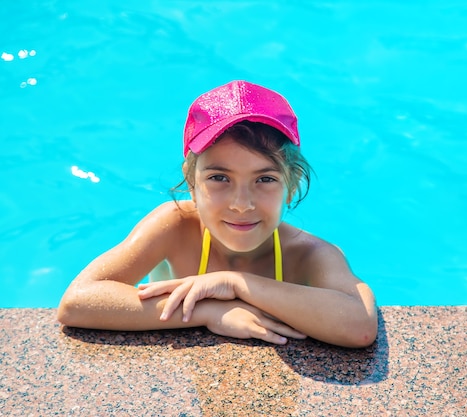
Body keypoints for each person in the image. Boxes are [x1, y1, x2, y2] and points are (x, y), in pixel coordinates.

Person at [57, 80, 378, 348]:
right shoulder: (175, 225)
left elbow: (359, 325)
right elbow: (77, 301)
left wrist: (237, 284)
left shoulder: (308, 254)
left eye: (265, 179)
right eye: (219, 178)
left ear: (291, 186)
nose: (241, 203)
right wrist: (209, 311)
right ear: (192, 183)